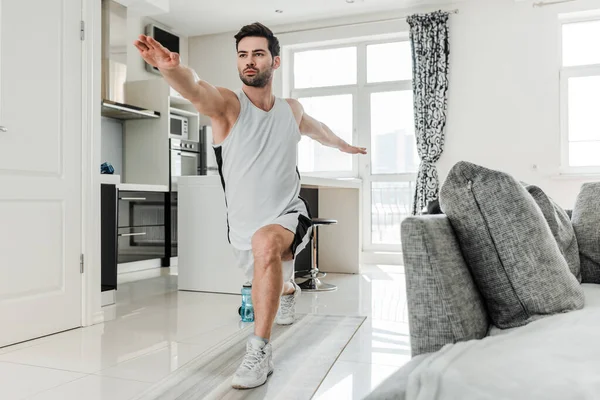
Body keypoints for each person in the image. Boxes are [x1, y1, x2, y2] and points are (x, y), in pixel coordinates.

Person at [134, 22, 367, 390]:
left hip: (290, 212)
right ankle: (289, 290)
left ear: (275, 61)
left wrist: (343, 146)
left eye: (258, 54)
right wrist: (170, 68)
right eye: (243, 55)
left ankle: (259, 351)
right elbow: (195, 89)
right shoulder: (228, 106)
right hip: (242, 226)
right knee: (262, 258)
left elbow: (317, 129)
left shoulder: (291, 109)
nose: (249, 62)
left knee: (266, 244)